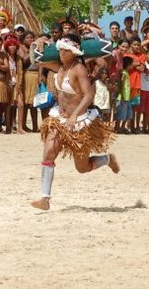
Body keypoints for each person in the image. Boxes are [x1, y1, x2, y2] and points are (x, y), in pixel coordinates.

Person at [31, 34, 119, 210]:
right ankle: (45, 198)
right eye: (60, 49)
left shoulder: (79, 69)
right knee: (48, 153)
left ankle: (108, 159)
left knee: (82, 168)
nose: (62, 53)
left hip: (79, 122)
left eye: (66, 50)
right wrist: (38, 43)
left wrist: (74, 115)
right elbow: (36, 59)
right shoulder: (59, 66)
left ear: (74, 51)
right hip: (59, 119)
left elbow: (89, 95)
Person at [115, 56, 134, 133]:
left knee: (127, 113)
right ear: (128, 64)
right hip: (123, 97)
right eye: (132, 64)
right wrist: (122, 94)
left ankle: (122, 127)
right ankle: (118, 127)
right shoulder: (123, 72)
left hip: (127, 97)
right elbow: (122, 82)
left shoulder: (125, 72)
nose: (133, 65)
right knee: (121, 113)